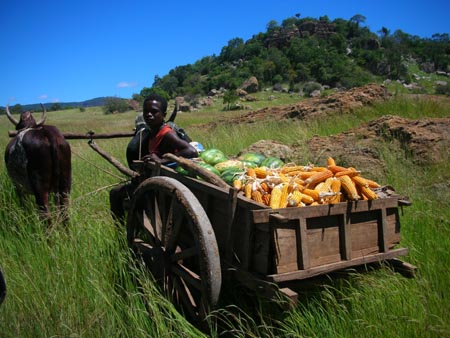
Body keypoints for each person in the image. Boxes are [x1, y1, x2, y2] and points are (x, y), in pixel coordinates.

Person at [109, 93, 198, 225]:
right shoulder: (153, 132)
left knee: (115, 193)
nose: (149, 115)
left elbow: (191, 151)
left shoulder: (166, 133)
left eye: (154, 112)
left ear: (164, 115)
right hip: (160, 180)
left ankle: (122, 230)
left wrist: (161, 161)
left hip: (164, 187)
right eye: (146, 111)